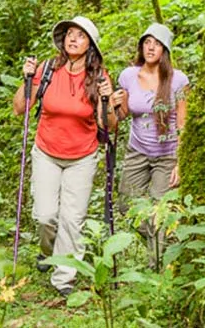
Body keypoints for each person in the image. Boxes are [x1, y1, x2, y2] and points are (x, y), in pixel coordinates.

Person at [13, 15, 118, 297]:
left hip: (82, 156)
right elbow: (19, 108)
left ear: (90, 45)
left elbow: (108, 125)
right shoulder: (47, 69)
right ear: (63, 39)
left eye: (80, 36)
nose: (73, 39)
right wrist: (26, 79)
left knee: (73, 219)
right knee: (45, 215)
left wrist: (107, 99)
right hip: (47, 151)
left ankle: (64, 279)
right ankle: (49, 253)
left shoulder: (98, 77)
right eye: (70, 34)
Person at [114, 22, 188, 267]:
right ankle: (165, 238)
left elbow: (183, 122)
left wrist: (180, 161)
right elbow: (123, 113)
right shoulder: (128, 76)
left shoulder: (178, 80)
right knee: (127, 204)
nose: (150, 47)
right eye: (147, 42)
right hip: (138, 151)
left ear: (165, 49)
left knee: (159, 209)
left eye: (156, 43)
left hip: (167, 155)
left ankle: (155, 268)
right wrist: (113, 102)